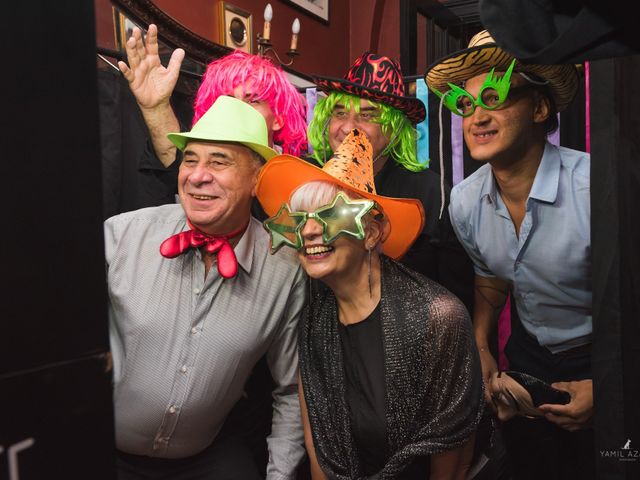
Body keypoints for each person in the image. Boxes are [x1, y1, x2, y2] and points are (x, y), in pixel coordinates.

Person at [255, 129, 484, 479]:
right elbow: (321, 457)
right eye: (301, 221)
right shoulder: (314, 321)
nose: (311, 232)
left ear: (372, 234)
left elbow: (452, 458)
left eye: (330, 216)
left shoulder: (438, 317)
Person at [105, 95, 306, 479]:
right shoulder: (123, 235)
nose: (197, 175)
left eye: (219, 161)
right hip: (102, 454)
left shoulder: (284, 270)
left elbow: (290, 391)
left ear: (257, 179)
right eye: (191, 159)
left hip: (205, 458)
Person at [425, 30, 593, 479]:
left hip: (602, 352)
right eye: (465, 104)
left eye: (495, 97)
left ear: (540, 108)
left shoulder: (596, 190)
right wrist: (482, 346)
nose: (477, 115)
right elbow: (490, 278)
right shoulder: (463, 202)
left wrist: (611, 386)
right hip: (527, 356)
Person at [307, 52, 475, 313]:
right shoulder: (305, 181)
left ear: (394, 128)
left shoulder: (430, 194)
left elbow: (457, 298)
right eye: (340, 113)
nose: (349, 127)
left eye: (368, 115)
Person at [117, 23, 307, 193]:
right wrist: (157, 107)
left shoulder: (303, 177)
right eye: (229, 99)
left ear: (278, 119)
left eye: (253, 100)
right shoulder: (201, 168)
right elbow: (174, 161)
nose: (237, 109)